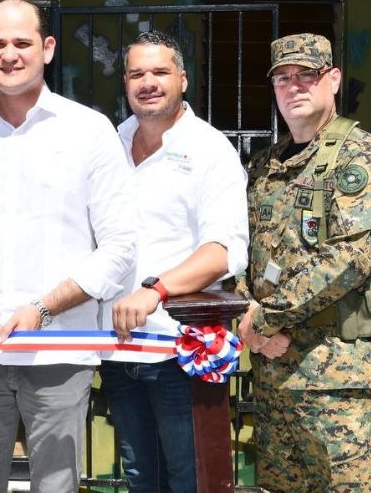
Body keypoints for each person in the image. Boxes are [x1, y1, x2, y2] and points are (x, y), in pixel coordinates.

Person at [0, 0, 135, 492]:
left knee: (56, 487)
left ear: (48, 48)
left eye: (22, 42)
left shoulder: (89, 130)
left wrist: (42, 307)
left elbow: (119, 245)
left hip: (59, 351)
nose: (9, 54)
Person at [237, 33, 371, 492]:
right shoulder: (266, 165)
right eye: (283, 78)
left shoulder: (360, 157)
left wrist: (263, 319)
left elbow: (349, 257)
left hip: (336, 378)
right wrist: (248, 315)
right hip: (274, 371)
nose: (294, 87)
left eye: (306, 76)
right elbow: (241, 251)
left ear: (333, 79)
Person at [101, 30, 249, 493]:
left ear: (182, 79)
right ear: (125, 82)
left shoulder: (210, 150)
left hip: (178, 350)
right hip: (115, 344)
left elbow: (222, 251)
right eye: (136, 73)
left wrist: (155, 290)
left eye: (160, 72)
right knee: (142, 477)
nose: (148, 82)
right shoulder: (110, 143)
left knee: (191, 479)